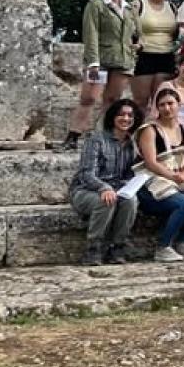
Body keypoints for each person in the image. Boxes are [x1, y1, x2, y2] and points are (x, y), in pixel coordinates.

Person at [66, 0, 137, 150]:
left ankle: (103, 135)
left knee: (113, 99)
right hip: (100, 60)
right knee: (89, 97)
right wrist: (93, 61)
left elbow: (137, 33)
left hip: (122, 61)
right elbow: (91, 33)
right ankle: (73, 135)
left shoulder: (129, 9)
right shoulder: (96, 4)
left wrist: (138, 45)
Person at [135, 87, 184, 262]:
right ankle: (163, 246)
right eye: (162, 105)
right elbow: (151, 162)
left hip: (176, 179)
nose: (167, 108)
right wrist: (174, 176)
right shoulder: (149, 130)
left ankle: (182, 242)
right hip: (151, 184)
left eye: (170, 104)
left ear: (178, 105)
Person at [69, 99, 140, 265]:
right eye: (121, 114)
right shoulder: (97, 140)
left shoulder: (133, 144)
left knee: (131, 201)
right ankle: (93, 248)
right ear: (113, 117)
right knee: (107, 200)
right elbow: (86, 173)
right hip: (86, 190)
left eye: (130, 115)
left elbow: (131, 174)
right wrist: (104, 188)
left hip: (118, 189)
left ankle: (118, 246)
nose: (126, 118)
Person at [129, 0, 179, 113]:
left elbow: (178, 32)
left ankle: (157, 132)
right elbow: (127, 28)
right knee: (141, 101)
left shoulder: (172, 7)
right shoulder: (138, 4)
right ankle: (137, 131)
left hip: (166, 56)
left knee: (161, 100)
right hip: (143, 55)